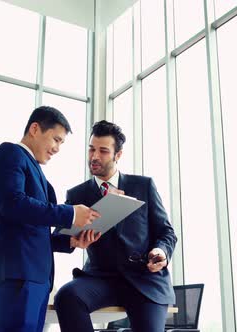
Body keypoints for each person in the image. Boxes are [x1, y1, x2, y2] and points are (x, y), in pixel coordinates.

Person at [0, 106, 102, 332]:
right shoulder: (10, 153)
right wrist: (70, 213)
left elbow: (33, 231)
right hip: (18, 275)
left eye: (61, 143)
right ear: (35, 129)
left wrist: (69, 241)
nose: (57, 149)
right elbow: (12, 203)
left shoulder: (38, 173)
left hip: (35, 279)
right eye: (56, 139)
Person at [54, 120, 177, 332]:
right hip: (101, 279)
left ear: (117, 155)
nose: (94, 156)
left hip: (144, 279)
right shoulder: (77, 194)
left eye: (103, 151)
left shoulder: (143, 186)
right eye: (91, 149)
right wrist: (73, 240)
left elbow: (166, 232)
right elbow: (57, 237)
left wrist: (160, 251)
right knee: (67, 296)